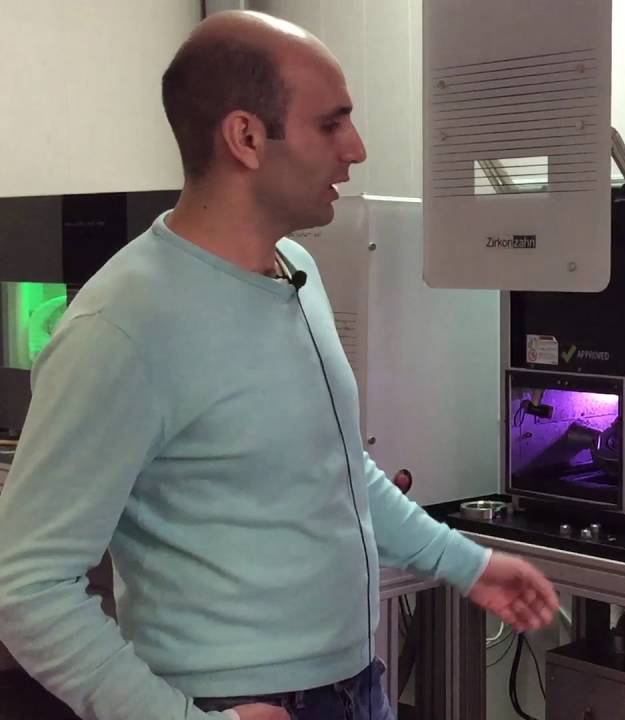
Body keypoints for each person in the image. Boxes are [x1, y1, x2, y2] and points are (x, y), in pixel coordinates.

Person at [0, 10, 559, 720]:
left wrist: (466, 564)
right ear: (245, 138)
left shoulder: (295, 269)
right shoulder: (122, 329)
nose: (356, 149)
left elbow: (337, 469)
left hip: (356, 687)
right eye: (332, 124)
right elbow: (27, 585)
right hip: (232, 703)